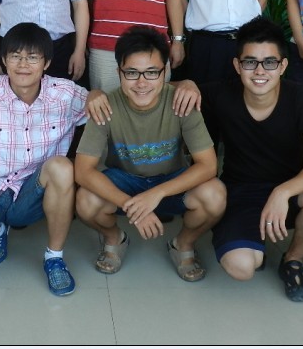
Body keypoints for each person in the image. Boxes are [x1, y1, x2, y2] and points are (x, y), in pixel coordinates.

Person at [0, 22, 97, 296]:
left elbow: (99, 103)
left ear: (46, 63)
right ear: (4, 60)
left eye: (33, 57)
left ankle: (54, 257)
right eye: (15, 56)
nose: (23, 64)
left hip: (34, 191)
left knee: (62, 167)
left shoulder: (64, 93)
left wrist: (97, 93)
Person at [199, 16, 303, 302]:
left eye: (270, 62)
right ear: (237, 65)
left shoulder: (300, 97)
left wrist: (283, 191)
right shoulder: (220, 93)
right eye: (250, 62)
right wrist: (188, 83)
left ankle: (293, 259)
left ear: (283, 66)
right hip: (241, 193)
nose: (259, 71)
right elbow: (164, 90)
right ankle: (253, 241)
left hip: (292, 191)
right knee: (241, 268)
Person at [74, 26, 226, 282]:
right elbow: (82, 170)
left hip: (171, 181)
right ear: (119, 73)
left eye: (152, 72)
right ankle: (114, 238)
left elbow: (208, 165)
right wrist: (133, 206)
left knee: (215, 195)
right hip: (125, 181)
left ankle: (183, 244)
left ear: (164, 72)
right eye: (132, 73)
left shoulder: (182, 100)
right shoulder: (105, 105)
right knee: (85, 200)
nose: (142, 82)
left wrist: (156, 194)